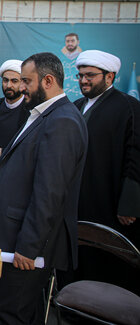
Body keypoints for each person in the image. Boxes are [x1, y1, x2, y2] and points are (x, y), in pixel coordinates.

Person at [0, 52, 88, 325]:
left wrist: (28, 247)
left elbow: (50, 193)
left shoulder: (62, 121)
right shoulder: (45, 115)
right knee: (23, 312)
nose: (21, 88)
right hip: (17, 239)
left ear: (48, 80)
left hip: (28, 247)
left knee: (12, 313)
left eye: (27, 82)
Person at [72, 50, 140, 295]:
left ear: (109, 77)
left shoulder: (129, 107)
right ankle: (74, 304)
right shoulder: (75, 106)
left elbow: (136, 155)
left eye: (90, 75)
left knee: (106, 261)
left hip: (110, 203)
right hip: (77, 200)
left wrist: (130, 203)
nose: (83, 81)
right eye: (80, 75)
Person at [0, 60, 29, 163]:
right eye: (5, 80)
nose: (8, 85)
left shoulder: (31, 110)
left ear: (23, 83)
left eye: (14, 81)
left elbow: (30, 148)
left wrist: (3, 152)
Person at [60, 32, 83, 101]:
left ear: (78, 42)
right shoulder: (60, 56)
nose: (70, 43)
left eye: (72, 41)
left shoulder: (82, 57)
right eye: (67, 41)